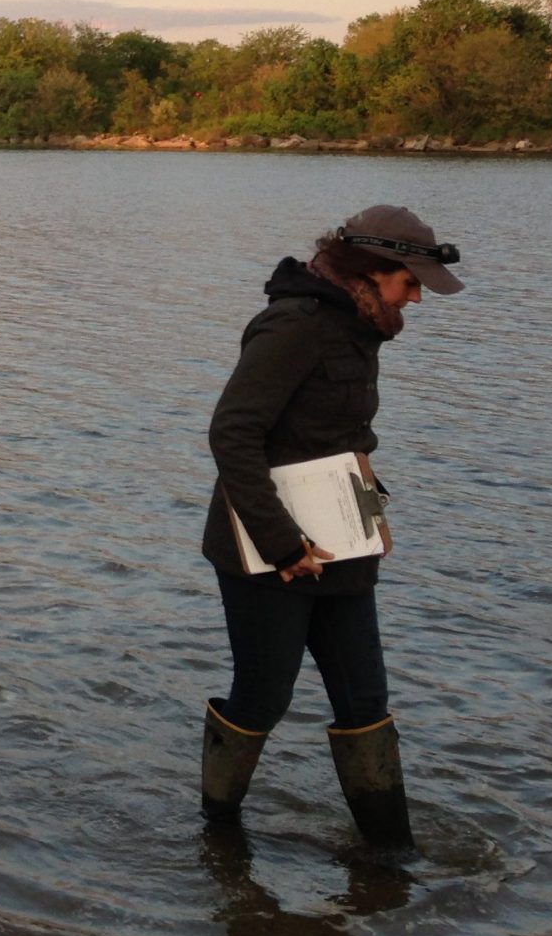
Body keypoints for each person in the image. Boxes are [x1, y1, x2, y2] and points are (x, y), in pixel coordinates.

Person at [198, 206, 464, 851]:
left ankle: (391, 852)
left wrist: (370, 519)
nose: (419, 296)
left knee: (365, 699)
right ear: (373, 272)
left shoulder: (359, 326)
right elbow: (232, 434)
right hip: (268, 554)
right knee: (263, 697)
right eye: (412, 282)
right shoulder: (294, 326)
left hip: (344, 548)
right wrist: (284, 544)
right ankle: (218, 832)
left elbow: (341, 441)